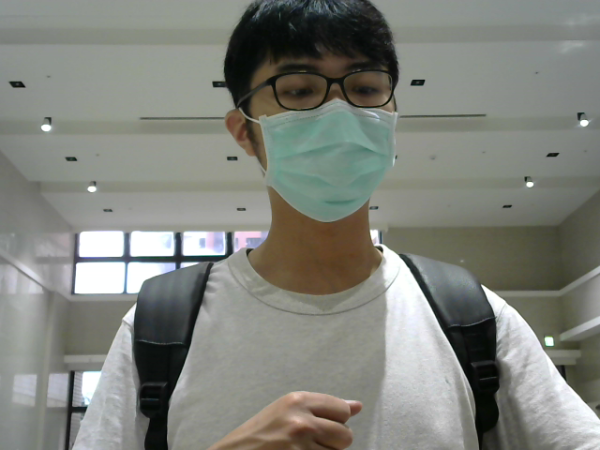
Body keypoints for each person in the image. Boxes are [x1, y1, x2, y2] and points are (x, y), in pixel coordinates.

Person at [73, 1, 600, 449]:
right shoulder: (160, 327)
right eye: (299, 90)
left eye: (365, 88)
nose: (339, 112)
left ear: (391, 118)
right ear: (243, 131)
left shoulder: (472, 317)